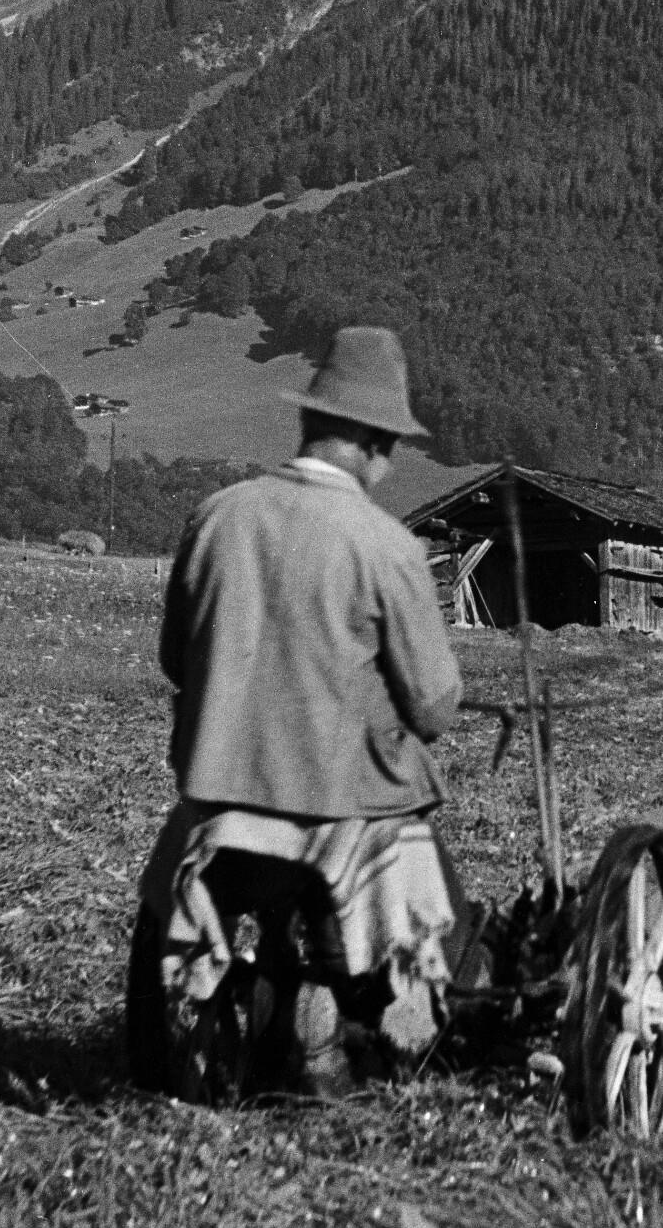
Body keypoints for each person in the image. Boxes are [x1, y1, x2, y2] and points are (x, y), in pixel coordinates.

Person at [127, 324, 465, 1099]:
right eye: (390, 448)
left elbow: (176, 659)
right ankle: (375, 1025)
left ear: (310, 421)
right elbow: (433, 708)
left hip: (218, 802)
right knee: (447, 909)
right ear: (376, 443)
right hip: (342, 812)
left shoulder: (218, 517)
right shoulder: (387, 546)